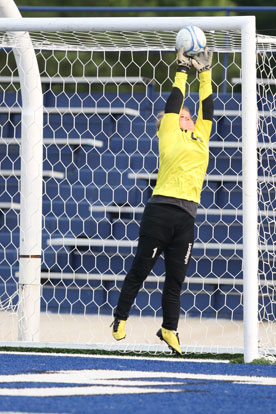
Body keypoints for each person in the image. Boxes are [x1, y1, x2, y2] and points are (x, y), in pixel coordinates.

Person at [111, 46, 213, 355]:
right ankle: (119, 319)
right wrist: (182, 71)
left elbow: (206, 109)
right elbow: (174, 104)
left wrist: (205, 74)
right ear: (169, 122)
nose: (190, 116)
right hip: (160, 212)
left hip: (186, 219)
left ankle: (169, 329)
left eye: (189, 115)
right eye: (184, 115)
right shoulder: (168, 132)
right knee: (140, 270)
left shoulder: (201, 136)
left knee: (176, 280)